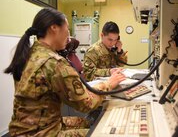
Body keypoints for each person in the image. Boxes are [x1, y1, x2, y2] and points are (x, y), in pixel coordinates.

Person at [4, 8, 125, 137]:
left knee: (88, 122)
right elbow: (86, 104)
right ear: (54, 28)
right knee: (103, 132)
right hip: (41, 133)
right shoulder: (54, 63)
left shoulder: (30, 53)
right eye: (67, 29)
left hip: (26, 129)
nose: (68, 35)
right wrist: (108, 84)